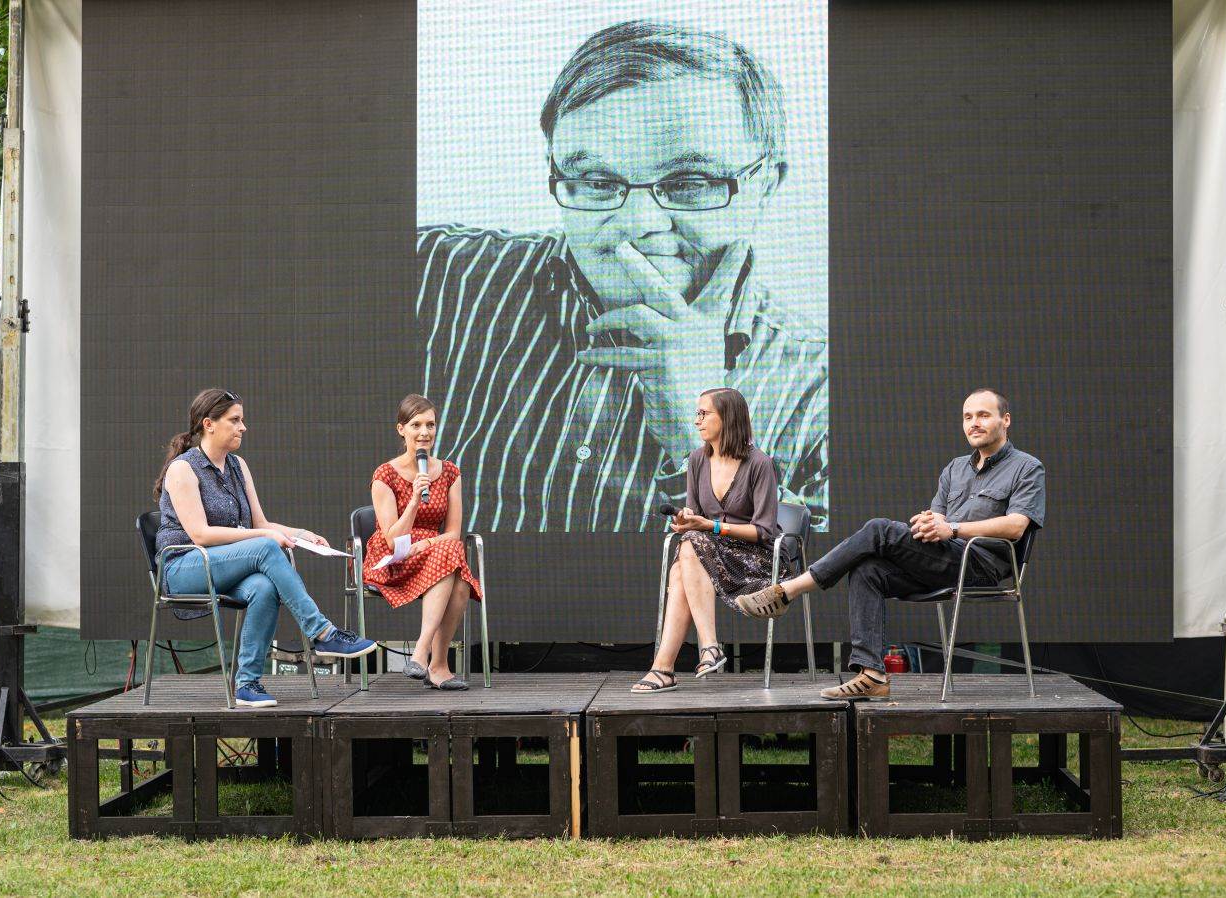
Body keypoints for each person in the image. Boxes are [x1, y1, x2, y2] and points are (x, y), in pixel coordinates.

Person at [417, 19, 827, 533]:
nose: (636, 226)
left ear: (766, 184)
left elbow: (797, 581)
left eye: (690, 182)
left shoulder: (824, 393)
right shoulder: (433, 275)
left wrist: (701, 441)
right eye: (596, 181)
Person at [735, 389, 1046, 700]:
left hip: (980, 565)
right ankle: (872, 674)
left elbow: (1017, 526)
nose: (974, 423)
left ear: (1005, 420)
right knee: (867, 568)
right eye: (968, 417)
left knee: (879, 530)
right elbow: (936, 514)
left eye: (983, 415)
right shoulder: (955, 468)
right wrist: (928, 523)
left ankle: (787, 590)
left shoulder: (1027, 467)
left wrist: (950, 528)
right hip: (945, 559)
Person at [154, 388, 378, 708]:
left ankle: (246, 683)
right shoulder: (183, 469)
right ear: (209, 424)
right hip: (183, 567)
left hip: (221, 564)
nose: (242, 427)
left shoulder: (238, 466)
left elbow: (260, 522)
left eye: (242, 420)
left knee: (263, 586)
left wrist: (300, 534)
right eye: (235, 420)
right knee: (264, 548)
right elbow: (200, 535)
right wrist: (264, 538)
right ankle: (322, 633)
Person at [631, 388, 780, 693]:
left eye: (703, 414)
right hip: (709, 552)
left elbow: (764, 532)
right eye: (696, 414)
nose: (696, 421)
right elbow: (694, 518)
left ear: (727, 418)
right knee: (686, 553)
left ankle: (677, 662)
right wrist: (685, 520)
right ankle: (689, 657)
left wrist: (710, 526)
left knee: (688, 550)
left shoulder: (760, 463)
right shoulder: (698, 459)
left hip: (756, 559)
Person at [362, 394, 482, 691]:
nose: (424, 432)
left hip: (434, 550)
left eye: (430, 425)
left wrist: (427, 545)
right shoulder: (385, 475)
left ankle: (427, 657)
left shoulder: (450, 472)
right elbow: (392, 538)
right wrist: (415, 501)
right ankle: (433, 661)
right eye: (416, 425)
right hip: (395, 557)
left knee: (456, 569)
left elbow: (453, 532)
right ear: (401, 429)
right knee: (454, 565)